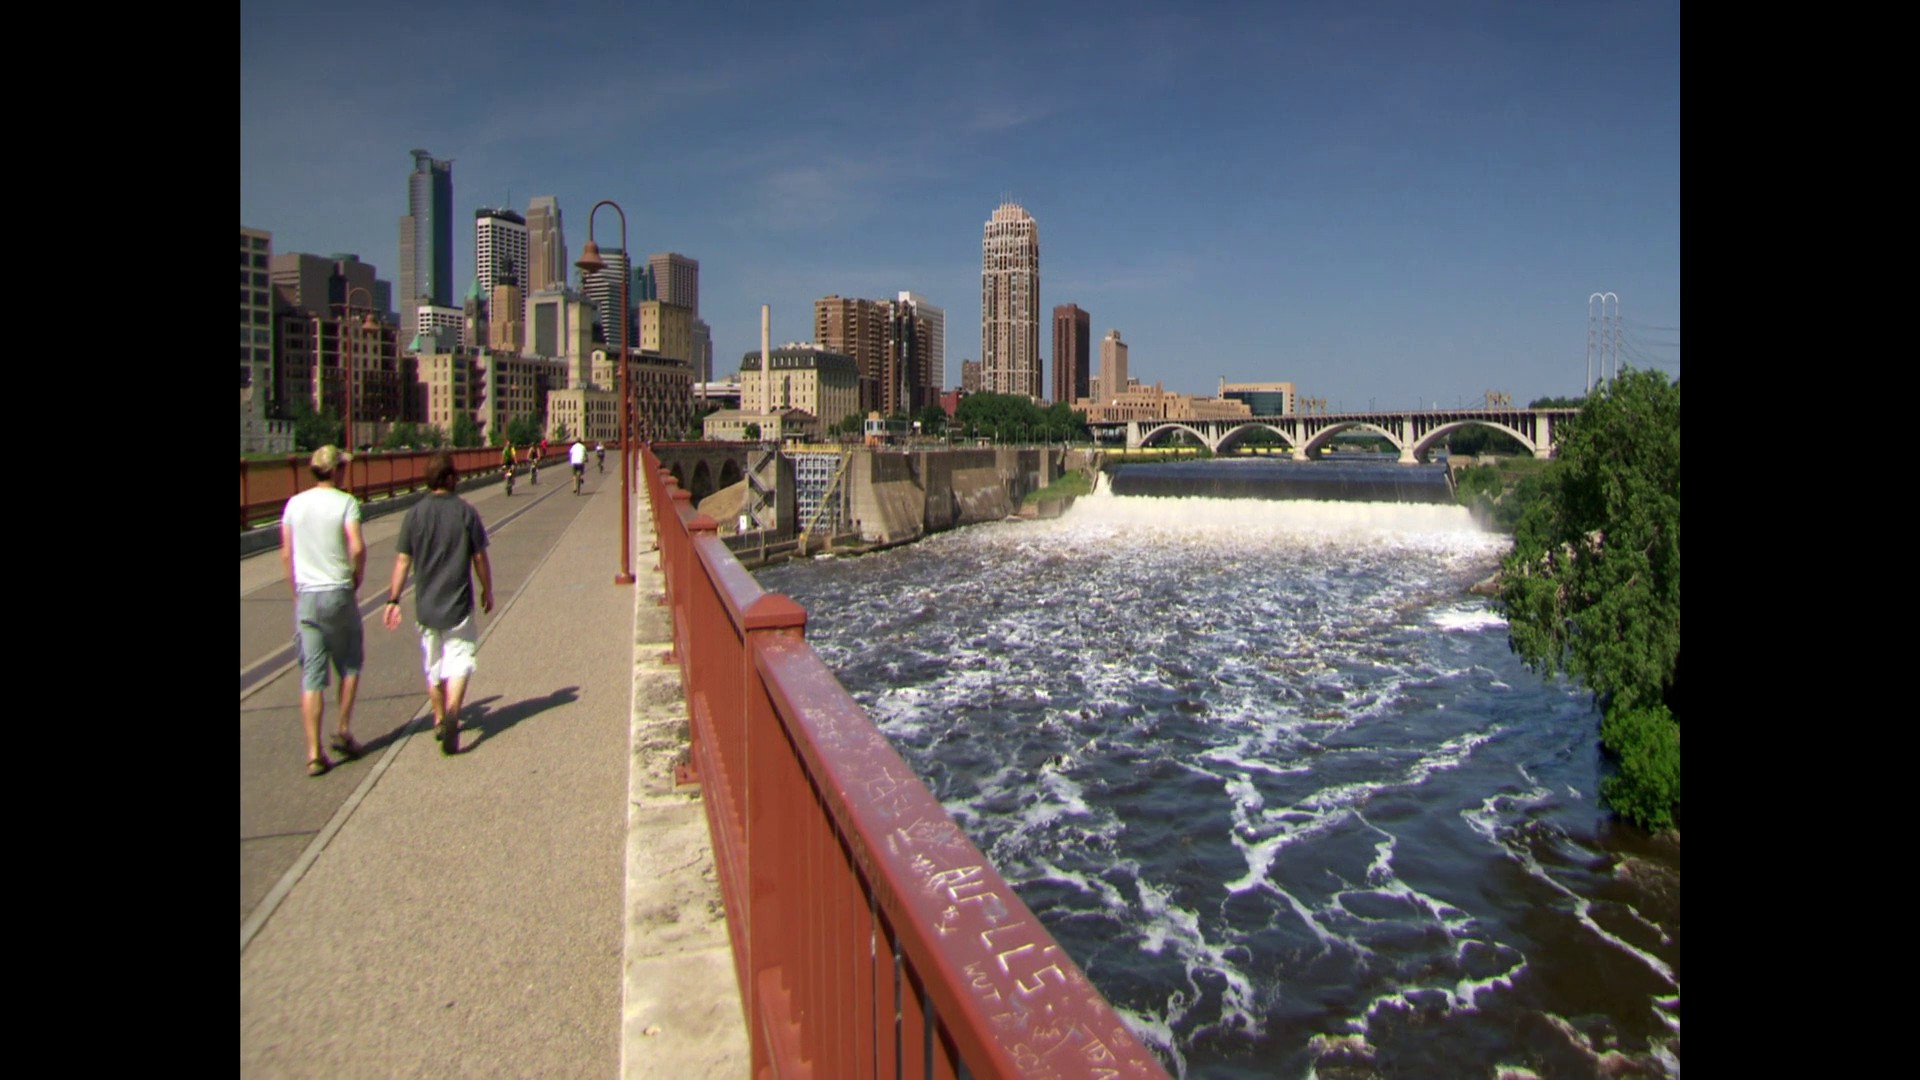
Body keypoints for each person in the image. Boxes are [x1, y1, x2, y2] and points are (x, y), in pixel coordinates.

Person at [383, 451, 494, 755]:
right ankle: (454, 710)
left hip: (427, 607)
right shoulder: (466, 512)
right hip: (458, 603)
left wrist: (393, 599)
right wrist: (487, 589)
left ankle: (439, 717)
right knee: (459, 659)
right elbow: (479, 557)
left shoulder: (414, 515)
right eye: (454, 474)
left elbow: (403, 560)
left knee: (433, 663)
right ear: (448, 478)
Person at [280, 445, 367, 776]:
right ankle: (343, 729)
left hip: (307, 594)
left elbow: (286, 554)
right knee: (350, 662)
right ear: (335, 471)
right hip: (338, 590)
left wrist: (295, 591)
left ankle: (314, 753)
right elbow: (357, 547)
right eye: (343, 467)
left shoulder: (294, 505)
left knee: (312, 675)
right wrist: (355, 576)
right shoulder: (346, 503)